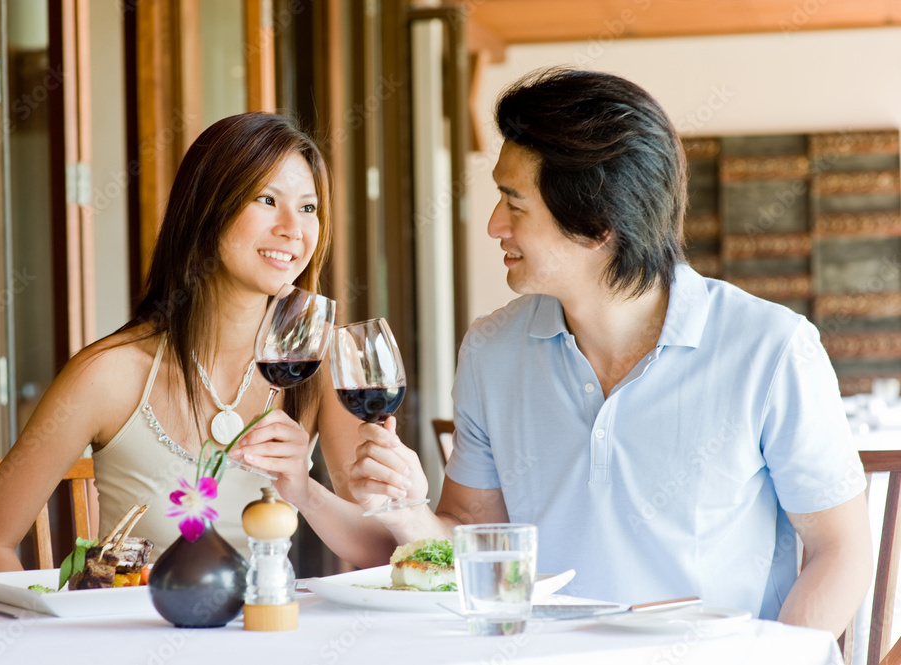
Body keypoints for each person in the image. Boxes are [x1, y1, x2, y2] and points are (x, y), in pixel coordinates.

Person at [348, 68, 872, 635]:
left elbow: (839, 550)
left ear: (597, 223)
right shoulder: (491, 350)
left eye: (514, 204)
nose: (495, 226)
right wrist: (407, 511)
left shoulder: (771, 348)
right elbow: (477, 540)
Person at [0, 112, 393, 572]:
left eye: (308, 208)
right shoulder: (108, 375)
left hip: (271, 617)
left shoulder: (318, 367)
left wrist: (306, 492)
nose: (293, 228)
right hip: (139, 619)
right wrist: (49, 620)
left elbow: (381, 547)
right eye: (267, 200)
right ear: (208, 211)